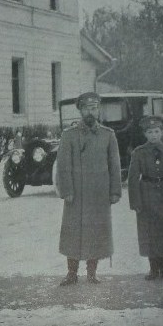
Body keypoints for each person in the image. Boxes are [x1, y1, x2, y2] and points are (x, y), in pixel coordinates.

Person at [56, 91, 121, 285]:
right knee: (72, 233)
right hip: (75, 195)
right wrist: (66, 190)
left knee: (97, 232)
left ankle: (92, 273)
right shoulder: (69, 135)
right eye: (86, 108)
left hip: (98, 195)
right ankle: (71, 273)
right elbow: (63, 165)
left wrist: (115, 191)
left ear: (99, 109)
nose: (90, 112)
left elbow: (114, 165)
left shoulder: (108, 135)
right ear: (80, 111)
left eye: (94, 108)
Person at [127, 115, 163, 280]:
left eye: (156, 131)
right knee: (150, 232)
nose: (153, 135)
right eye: (150, 132)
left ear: (162, 133)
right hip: (147, 197)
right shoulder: (139, 153)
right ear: (145, 134)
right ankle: (153, 268)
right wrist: (136, 202)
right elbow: (132, 180)